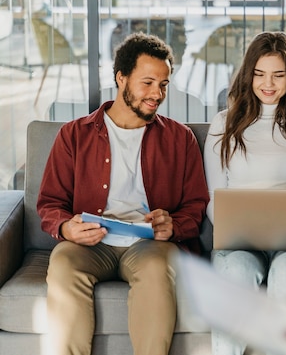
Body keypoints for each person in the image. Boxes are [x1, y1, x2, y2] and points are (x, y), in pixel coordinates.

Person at [37, 33, 210, 355]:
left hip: (150, 247)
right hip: (92, 245)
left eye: (164, 85)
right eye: (147, 83)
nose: (157, 94)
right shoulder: (74, 135)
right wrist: (65, 227)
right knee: (63, 263)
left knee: (158, 269)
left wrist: (174, 225)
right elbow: (50, 202)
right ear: (121, 77)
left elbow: (196, 203)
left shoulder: (179, 138)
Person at [204, 31, 286, 355]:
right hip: (238, 247)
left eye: (278, 75)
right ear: (248, 76)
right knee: (236, 271)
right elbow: (213, 200)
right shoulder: (224, 125)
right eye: (260, 74)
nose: (269, 84)